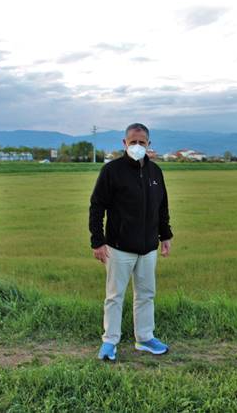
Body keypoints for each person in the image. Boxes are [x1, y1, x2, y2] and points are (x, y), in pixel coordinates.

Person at [89, 122, 173, 361]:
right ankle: (109, 342)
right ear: (124, 144)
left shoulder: (155, 172)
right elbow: (97, 206)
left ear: (149, 145)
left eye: (142, 142)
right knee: (115, 296)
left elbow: (162, 206)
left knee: (146, 294)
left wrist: (165, 235)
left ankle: (144, 338)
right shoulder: (111, 171)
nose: (137, 146)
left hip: (148, 248)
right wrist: (98, 241)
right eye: (133, 142)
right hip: (118, 247)